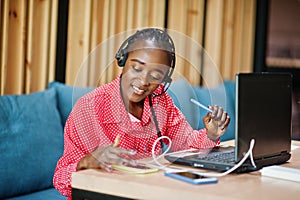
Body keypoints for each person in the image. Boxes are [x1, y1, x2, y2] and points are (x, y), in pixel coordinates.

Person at [53, 28, 230, 199]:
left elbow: (186, 142)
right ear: (123, 60)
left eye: (156, 75)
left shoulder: (161, 102)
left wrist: (211, 134)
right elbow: (60, 179)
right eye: (137, 68)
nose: (144, 81)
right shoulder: (88, 108)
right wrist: (87, 161)